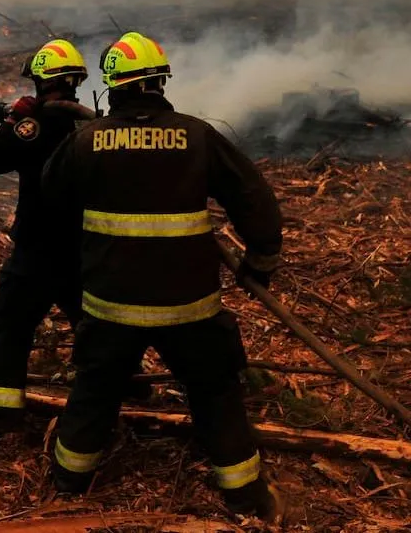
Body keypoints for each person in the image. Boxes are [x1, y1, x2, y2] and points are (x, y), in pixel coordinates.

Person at [40, 32, 285, 521]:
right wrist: (260, 260)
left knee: (95, 391)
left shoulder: (84, 141)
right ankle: (246, 495)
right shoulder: (196, 136)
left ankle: (69, 482)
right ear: (160, 81)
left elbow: (52, 204)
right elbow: (252, 196)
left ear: (112, 88)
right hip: (188, 303)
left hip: (111, 304)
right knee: (215, 393)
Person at [0, 38, 103, 456]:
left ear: (43, 80)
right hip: (84, 249)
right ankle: (126, 389)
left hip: (37, 252)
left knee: (8, 332)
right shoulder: (92, 124)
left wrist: (14, 123)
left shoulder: (35, 125)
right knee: (94, 325)